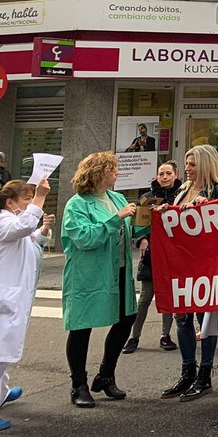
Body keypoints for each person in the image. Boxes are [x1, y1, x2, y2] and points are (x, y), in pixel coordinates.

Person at [62, 151, 141, 408]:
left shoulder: (116, 197)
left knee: (127, 317)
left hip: (117, 270)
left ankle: (106, 374)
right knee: (82, 327)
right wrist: (116, 218)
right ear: (99, 173)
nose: (117, 173)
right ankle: (79, 385)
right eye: (113, 169)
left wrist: (149, 218)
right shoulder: (77, 204)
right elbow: (85, 238)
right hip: (88, 275)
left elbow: (132, 227)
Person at [159, 145, 218, 401]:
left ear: (204, 165)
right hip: (183, 264)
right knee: (182, 318)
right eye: (186, 164)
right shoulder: (181, 191)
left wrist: (207, 207)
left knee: (206, 320)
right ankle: (187, 372)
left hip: (208, 266)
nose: (187, 169)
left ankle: (205, 375)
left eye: (191, 164)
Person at [0, 177, 52, 430]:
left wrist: (41, 232)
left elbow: (30, 238)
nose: (30, 203)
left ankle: (1, 393)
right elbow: (23, 227)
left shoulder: (13, 222)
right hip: (4, 299)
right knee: (0, 352)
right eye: (26, 199)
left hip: (14, 297)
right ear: (10, 203)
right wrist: (41, 196)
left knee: (5, 352)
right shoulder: (3, 221)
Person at [123, 161, 181, 354]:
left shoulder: (182, 196)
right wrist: (141, 240)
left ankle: (165, 335)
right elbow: (137, 224)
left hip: (174, 255)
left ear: (176, 174)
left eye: (168, 174)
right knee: (145, 298)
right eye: (161, 174)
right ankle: (134, 337)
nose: (164, 177)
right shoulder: (147, 198)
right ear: (156, 176)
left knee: (168, 298)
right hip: (152, 255)